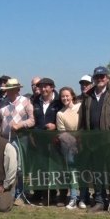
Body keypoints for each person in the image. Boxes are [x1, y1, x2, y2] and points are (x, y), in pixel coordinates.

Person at [80, 66, 110, 213]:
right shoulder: (87, 95)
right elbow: (83, 118)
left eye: (102, 76)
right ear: (94, 79)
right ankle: (99, 201)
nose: (100, 79)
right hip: (93, 141)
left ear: (108, 78)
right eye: (97, 77)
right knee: (97, 173)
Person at [0, 78, 34, 205]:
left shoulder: (26, 102)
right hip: (5, 139)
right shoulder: (2, 104)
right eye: (7, 90)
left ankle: (21, 194)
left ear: (18, 89)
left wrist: (21, 125)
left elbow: (32, 120)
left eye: (12, 89)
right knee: (8, 166)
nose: (9, 92)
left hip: (21, 139)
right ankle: (9, 194)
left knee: (20, 167)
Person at [32, 77, 65, 206]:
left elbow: (65, 116)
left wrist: (55, 126)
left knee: (59, 168)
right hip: (40, 141)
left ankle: (62, 196)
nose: (43, 89)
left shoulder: (59, 101)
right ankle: (47, 196)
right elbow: (33, 120)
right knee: (43, 168)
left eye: (46, 86)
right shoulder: (35, 101)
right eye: (41, 87)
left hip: (57, 141)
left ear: (52, 87)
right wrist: (33, 135)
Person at [56, 87, 86, 209]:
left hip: (84, 144)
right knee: (72, 172)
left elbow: (85, 124)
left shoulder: (81, 107)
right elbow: (62, 132)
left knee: (84, 171)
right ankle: (73, 198)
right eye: (63, 96)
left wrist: (81, 140)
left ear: (72, 96)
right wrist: (73, 143)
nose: (65, 98)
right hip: (69, 147)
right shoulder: (60, 114)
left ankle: (83, 198)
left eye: (67, 95)